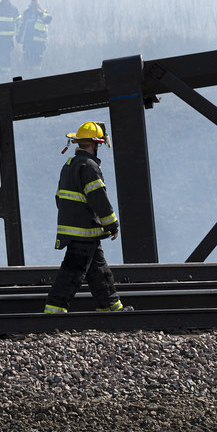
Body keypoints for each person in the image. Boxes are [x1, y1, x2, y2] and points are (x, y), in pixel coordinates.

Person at [44, 121, 131, 314]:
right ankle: (54, 313)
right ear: (95, 144)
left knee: (99, 272)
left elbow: (59, 197)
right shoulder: (89, 166)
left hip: (81, 230)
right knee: (72, 272)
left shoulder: (69, 165)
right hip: (84, 230)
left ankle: (112, 309)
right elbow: (99, 200)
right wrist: (113, 225)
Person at [17, 0, 52, 71]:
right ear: (30, 4)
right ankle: (28, 72)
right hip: (28, 39)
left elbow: (49, 19)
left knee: (38, 58)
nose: (34, 5)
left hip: (39, 40)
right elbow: (21, 24)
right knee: (27, 56)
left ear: (38, 4)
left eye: (36, 4)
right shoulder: (26, 12)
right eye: (32, 4)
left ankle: (37, 73)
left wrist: (40, 13)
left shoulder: (43, 11)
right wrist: (19, 36)